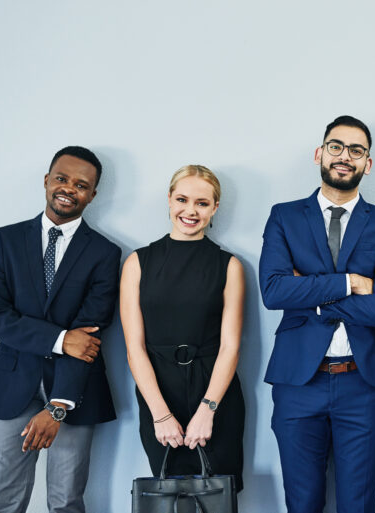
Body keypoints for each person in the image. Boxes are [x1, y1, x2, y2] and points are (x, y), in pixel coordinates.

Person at [259, 115, 375, 513]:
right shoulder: (284, 216)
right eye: (336, 146)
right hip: (297, 383)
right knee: (302, 504)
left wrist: (312, 294)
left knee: (358, 505)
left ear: (368, 163)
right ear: (320, 153)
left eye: (356, 150)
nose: (345, 156)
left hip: (364, 382)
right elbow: (273, 291)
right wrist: (351, 283)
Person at [0, 146, 120, 513]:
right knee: (1, 500)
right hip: (13, 386)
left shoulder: (105, 253)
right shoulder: (6, 240)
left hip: (74, 390)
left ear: (92, 194)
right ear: (46, 181)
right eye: (61, 178)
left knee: (66, 501)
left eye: (81, 184)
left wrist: (59, 405)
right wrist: (60, 339)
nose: (69, 188)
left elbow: (88, 332)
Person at [120, 165, 245, 491]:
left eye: (202, 203)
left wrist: (208, 410)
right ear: (169, 200)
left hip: (215, 394)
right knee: (168, 497)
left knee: (217, 498)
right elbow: (134, 347)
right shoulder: (137, 263)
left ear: (215, 207)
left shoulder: (229, 266)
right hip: (158, 390)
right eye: (182, 199)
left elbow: (230, 346)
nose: (190, 210)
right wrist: (160, 414)